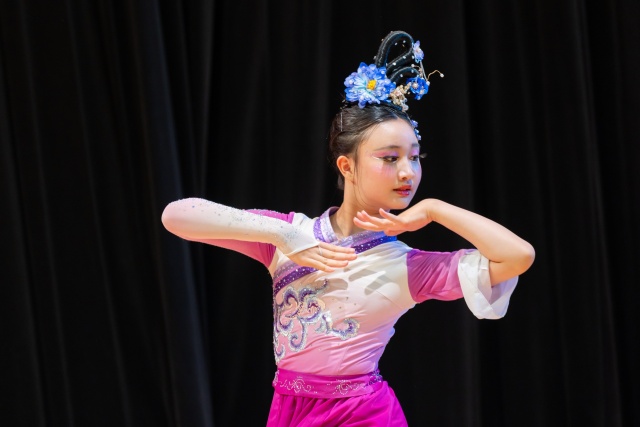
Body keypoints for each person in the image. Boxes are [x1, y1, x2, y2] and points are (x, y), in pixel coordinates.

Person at [162, 31, 534, 427]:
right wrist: (283, 235)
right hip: (288, 411)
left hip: (364, 415)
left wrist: (434, 209)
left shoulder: (409, 265)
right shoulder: (290, 234)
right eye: (389, 158)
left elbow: (518, 256)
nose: (407, 172)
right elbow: (176, 215)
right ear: (347, 166)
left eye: (414, 157)